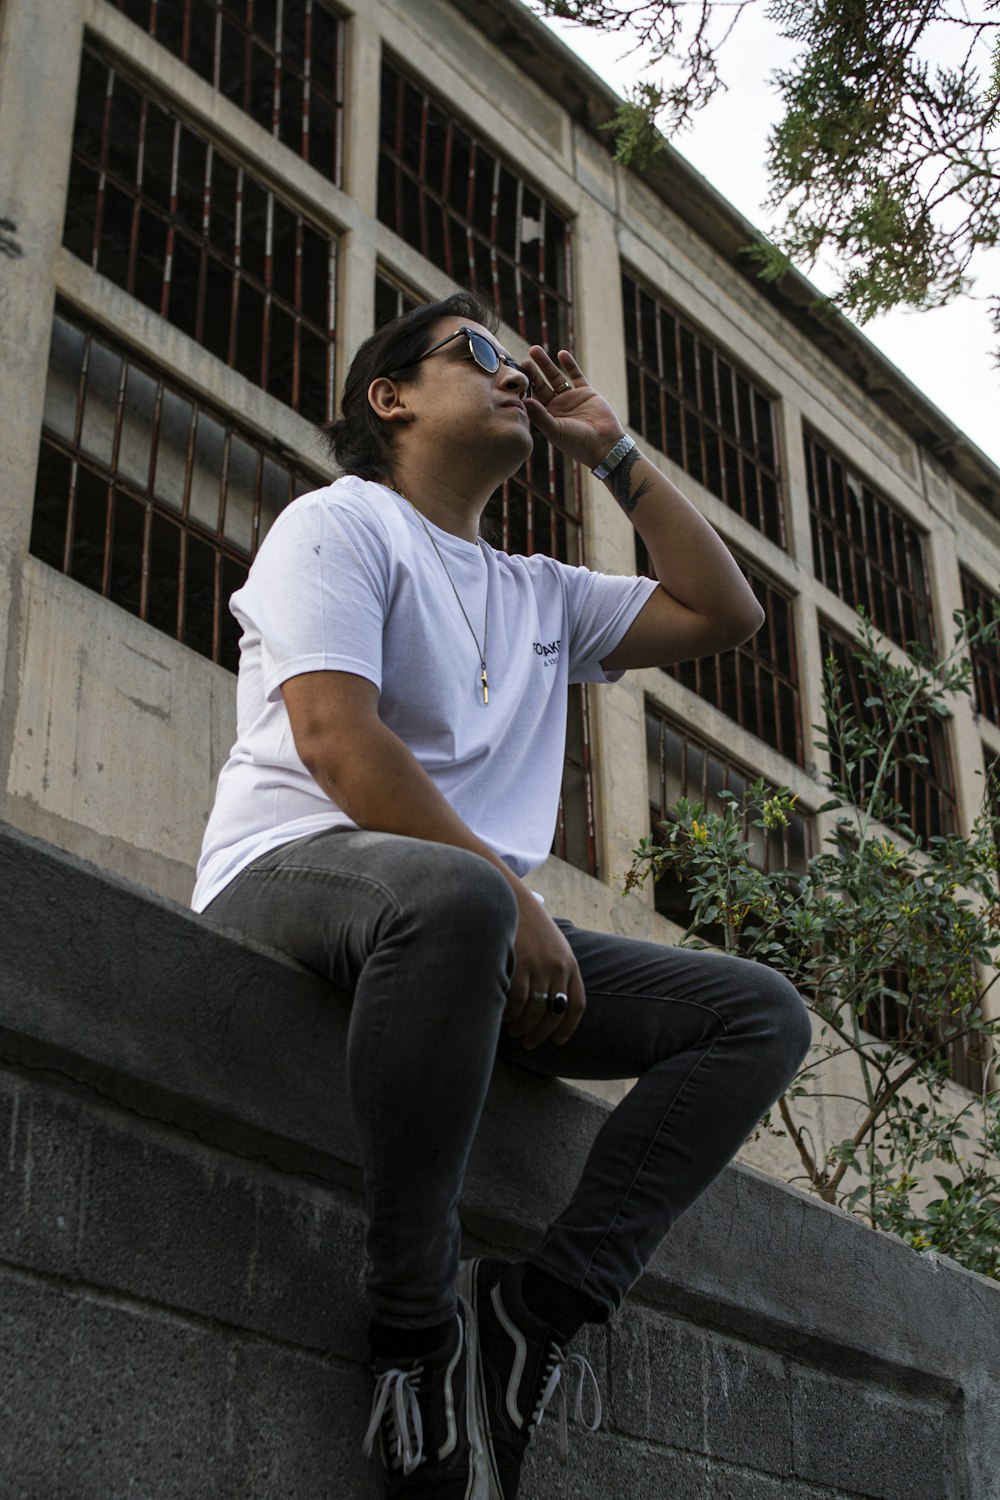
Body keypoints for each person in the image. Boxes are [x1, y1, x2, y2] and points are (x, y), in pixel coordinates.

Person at [192, 290, 812, 1500]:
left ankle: (535, 1313)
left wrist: (615, 450)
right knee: (461, 903)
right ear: (393, 398)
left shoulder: (539, 591)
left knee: (758, 1014)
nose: (512, 370)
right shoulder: (339, 523)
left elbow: (724, 613)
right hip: (297, 868)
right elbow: (334, 741)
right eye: (474, 352)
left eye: (516, 355)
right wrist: (503, 895)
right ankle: (415, 1331)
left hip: (461, 923)